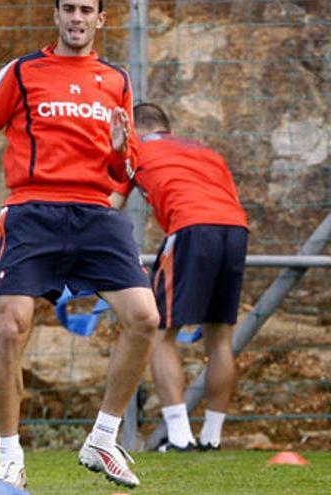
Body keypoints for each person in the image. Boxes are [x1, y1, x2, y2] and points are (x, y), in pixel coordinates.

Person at [0, 0, 158, 489]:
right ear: (57, 16)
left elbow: (125, 170)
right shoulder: (23, 72)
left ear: (100, 19)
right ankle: (9, 458)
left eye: (87, 9)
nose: (77, 17)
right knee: (8, 327)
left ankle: (102, 439)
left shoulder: (117, 81)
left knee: (145, 318)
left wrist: (117, 150)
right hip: (32, 212)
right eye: (69, 8)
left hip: (95, 213)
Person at [110, 103, 249, 452]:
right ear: (166, 127)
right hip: (235, 229)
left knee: (160, 333)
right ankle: (212, 437)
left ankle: (180, 437)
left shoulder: (135, 149)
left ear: (136, 128)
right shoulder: (205, 152)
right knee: (220, 337)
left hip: (190, 229)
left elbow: (109, 205)